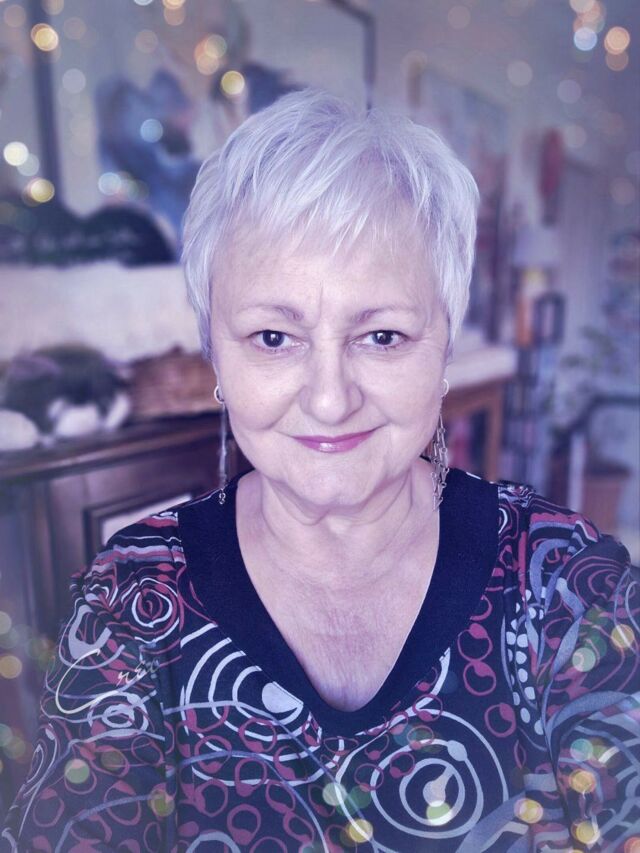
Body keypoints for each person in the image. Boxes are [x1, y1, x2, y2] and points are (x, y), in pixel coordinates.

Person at [2, 88, 638, 852]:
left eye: (382, 336)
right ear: (215, 355)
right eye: (274, 337)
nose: (330, 399)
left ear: (445, 346)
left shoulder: (566, 584)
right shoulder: (133, 600)